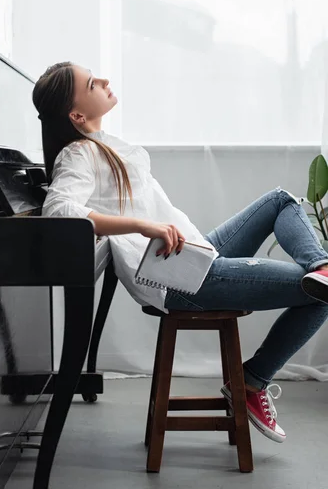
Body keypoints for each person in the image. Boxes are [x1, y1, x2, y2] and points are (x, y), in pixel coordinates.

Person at [32, 61, 328, 445]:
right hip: (180, 278)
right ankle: (253, 382)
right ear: (76, 114)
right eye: (91, 83)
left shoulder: (103, 146)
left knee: (280, 202)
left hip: (197, 253)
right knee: (321, 294)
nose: (103, 80)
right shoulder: (78, 155)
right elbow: (60, 210)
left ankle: (321, 266)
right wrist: (142, 226)